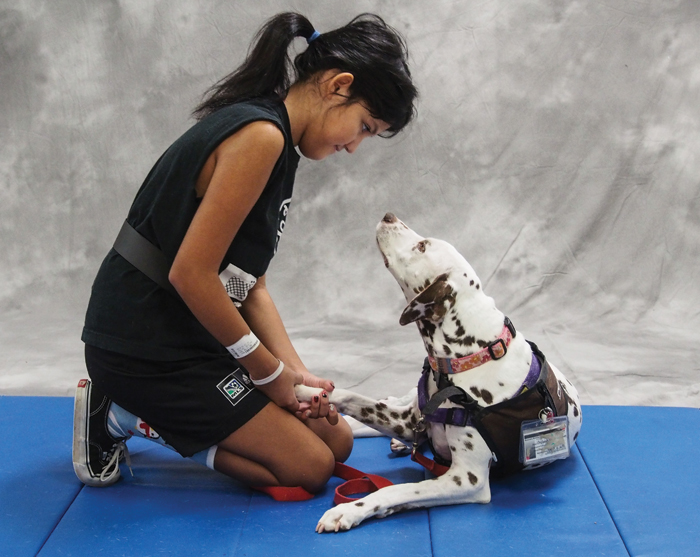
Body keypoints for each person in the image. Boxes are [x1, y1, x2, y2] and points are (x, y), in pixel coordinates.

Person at [73, 12, 417, 493]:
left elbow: (247, 283)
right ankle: (124, 413)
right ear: (339, 86)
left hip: (195, 335)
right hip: (142, 346)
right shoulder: (261, 135)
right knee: (308, 468)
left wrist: (296, 374)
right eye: (363, 126)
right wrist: (267, 372)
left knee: (336, 441)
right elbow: (191, 275)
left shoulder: (282, 142)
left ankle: (162, 410)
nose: (355, 147)